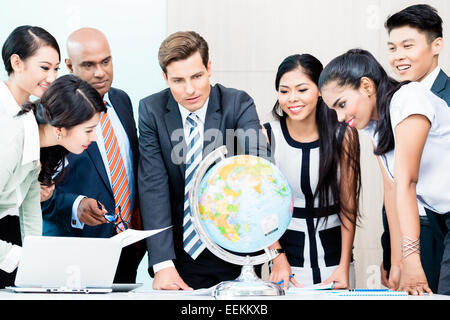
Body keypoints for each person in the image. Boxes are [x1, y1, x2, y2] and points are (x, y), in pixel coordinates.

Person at [138, 31, 269, 290]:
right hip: (178, 255)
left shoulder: (237, 104)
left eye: (197, 76)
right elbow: (153, 186)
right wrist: (163, 263)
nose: (190, 89)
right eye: (178, 80)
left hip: (235, 248)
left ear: (209, 68)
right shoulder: (151, 110)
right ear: (165, 78)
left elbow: (257, 166)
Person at [318, 48, 450, 296]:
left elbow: (406, 182)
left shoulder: (409, 99)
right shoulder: (375, 127)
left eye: (342, 104)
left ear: (366, 86)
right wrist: (398, 260)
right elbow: (391, 190)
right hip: (439, 217)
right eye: (333, 110)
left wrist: (412, 260)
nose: (339, 116)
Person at [41, 28, 144, 284]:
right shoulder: (49, 112)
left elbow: (130, 171)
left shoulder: (122, 101)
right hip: (75, 252)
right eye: (88, 65)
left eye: (106, 61)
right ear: (69, 65)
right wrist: (76, 205)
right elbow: (35, 192)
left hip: (127, 249)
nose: (100, 72)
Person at [261, 54, 361, 290]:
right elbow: (260, 206)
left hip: (335, 263)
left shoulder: (343, 134)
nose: (292, 98)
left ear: (319, 91)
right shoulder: (266, 135)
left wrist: (344, 265)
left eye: (302, 89)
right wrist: (277, 258)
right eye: (284, 91)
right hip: (286, 265)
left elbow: (348, 205)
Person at [0, 74, 106, 288]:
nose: (94, 138)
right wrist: (20, 258)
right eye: (88, 130)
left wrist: (37, 266)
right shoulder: (11, 145)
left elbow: (30, 218)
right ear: (60, 128)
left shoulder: (37, 150)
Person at [380, 4, 450, 293]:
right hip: (413, 240)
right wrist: (392, 253)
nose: (398, 57)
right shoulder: (394, 102)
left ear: (437, 45)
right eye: (393, 48)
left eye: (408, 46)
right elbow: (393, 183)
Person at [1, 25, 61, 203]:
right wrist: (30, 191)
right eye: (45, 68)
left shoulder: (28, 116)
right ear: (17, 63)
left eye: (56, 69)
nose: (52, 78)